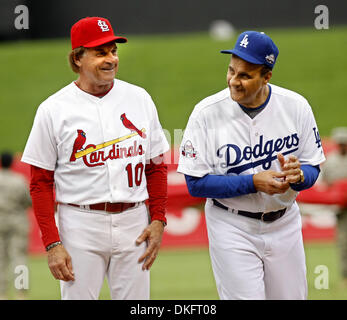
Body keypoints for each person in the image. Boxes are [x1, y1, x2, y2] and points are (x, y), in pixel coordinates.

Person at [21, 17, 169, 300]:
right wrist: (52, 244)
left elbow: (156, 166)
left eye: (113, 51)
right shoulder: (54, 109)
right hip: (80, 222)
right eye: (100, 53)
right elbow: (40, 183)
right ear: (77, 58)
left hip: (134, 222)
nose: (110, 59)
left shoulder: (139, 98)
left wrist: (159, 219)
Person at [177, 31, 325, 299]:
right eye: (231, 71)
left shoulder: (296, 107)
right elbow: (195, 183)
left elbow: (313, 166)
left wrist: (300, 175)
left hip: (285, 223)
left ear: (266, 76)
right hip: (231, 225)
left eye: (245, 75)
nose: (234, 81)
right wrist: (253, 182)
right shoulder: (206, 113)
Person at [0, 152, 31, 300]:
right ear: (12, 163)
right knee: (19, 257)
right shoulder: (19, 180)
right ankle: (20, 293)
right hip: (17, 220)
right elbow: (28, 201)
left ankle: (2, 294)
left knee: (1, 259)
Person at [321, 127, 347, 286]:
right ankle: (345, 275)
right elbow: (326, 184)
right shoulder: (331, 161)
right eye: (341, 143)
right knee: (344, 242)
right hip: (341, 210)